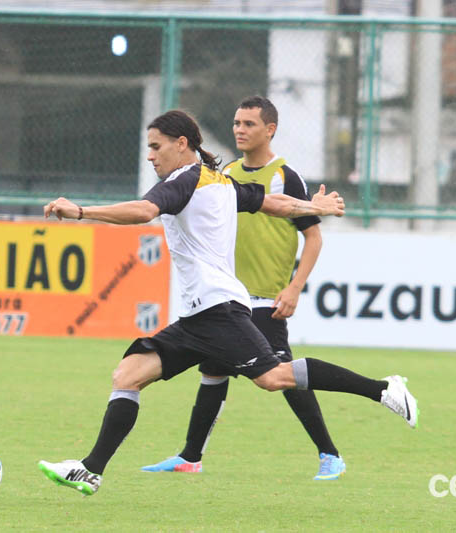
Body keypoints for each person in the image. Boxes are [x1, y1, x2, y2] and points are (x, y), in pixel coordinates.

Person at [38, 109, 418, 496]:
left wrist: (81, 212)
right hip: (198, 315)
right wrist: (312, 207)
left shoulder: (184, 180)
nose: (150, 156)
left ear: (181, 144)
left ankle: (384, 389)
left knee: (274, 377)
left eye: (155, 146)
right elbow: (273, 203)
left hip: (218, 309)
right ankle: (91, 470)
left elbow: (145, 211)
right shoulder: (219, 180)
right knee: (128, 375)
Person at [140, 96, 345, 481]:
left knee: (281, 374)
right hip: (227, 298)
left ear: (270, 130)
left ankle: (330, 454)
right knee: (213, 371)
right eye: (236, 122)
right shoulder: (225, 173)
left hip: (267, 297)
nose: (239, 129)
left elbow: (313, 237)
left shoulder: (286, 176)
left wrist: (294, 287)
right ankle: (190, 456)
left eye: (249, 123)